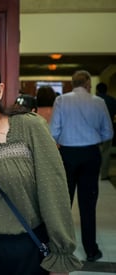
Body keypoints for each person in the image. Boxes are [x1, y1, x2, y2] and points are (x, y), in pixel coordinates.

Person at [0, 56, 82, 275]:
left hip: (25, 251)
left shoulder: (29, 128)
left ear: (0, 91)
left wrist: (61, 255)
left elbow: (54, 191)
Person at [50, 70, 114, 262]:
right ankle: (91, 250)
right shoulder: (99, 102)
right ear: (88, 84)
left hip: (67, 154)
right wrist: (93, 139)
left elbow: (53, 131)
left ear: (72, 83)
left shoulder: (61, 101)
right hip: (90, 154)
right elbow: (108, 132)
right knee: (88, 205)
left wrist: (65, 139)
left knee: (64, 202)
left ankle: (61, 247)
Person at [96, 82, 116, 180]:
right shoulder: (112, 100)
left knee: (95, 151)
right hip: (108, 129)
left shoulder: (93, 100)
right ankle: (104, 174)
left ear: (97, 90)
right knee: (106, 152)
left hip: (95, 130)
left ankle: (95, 172)